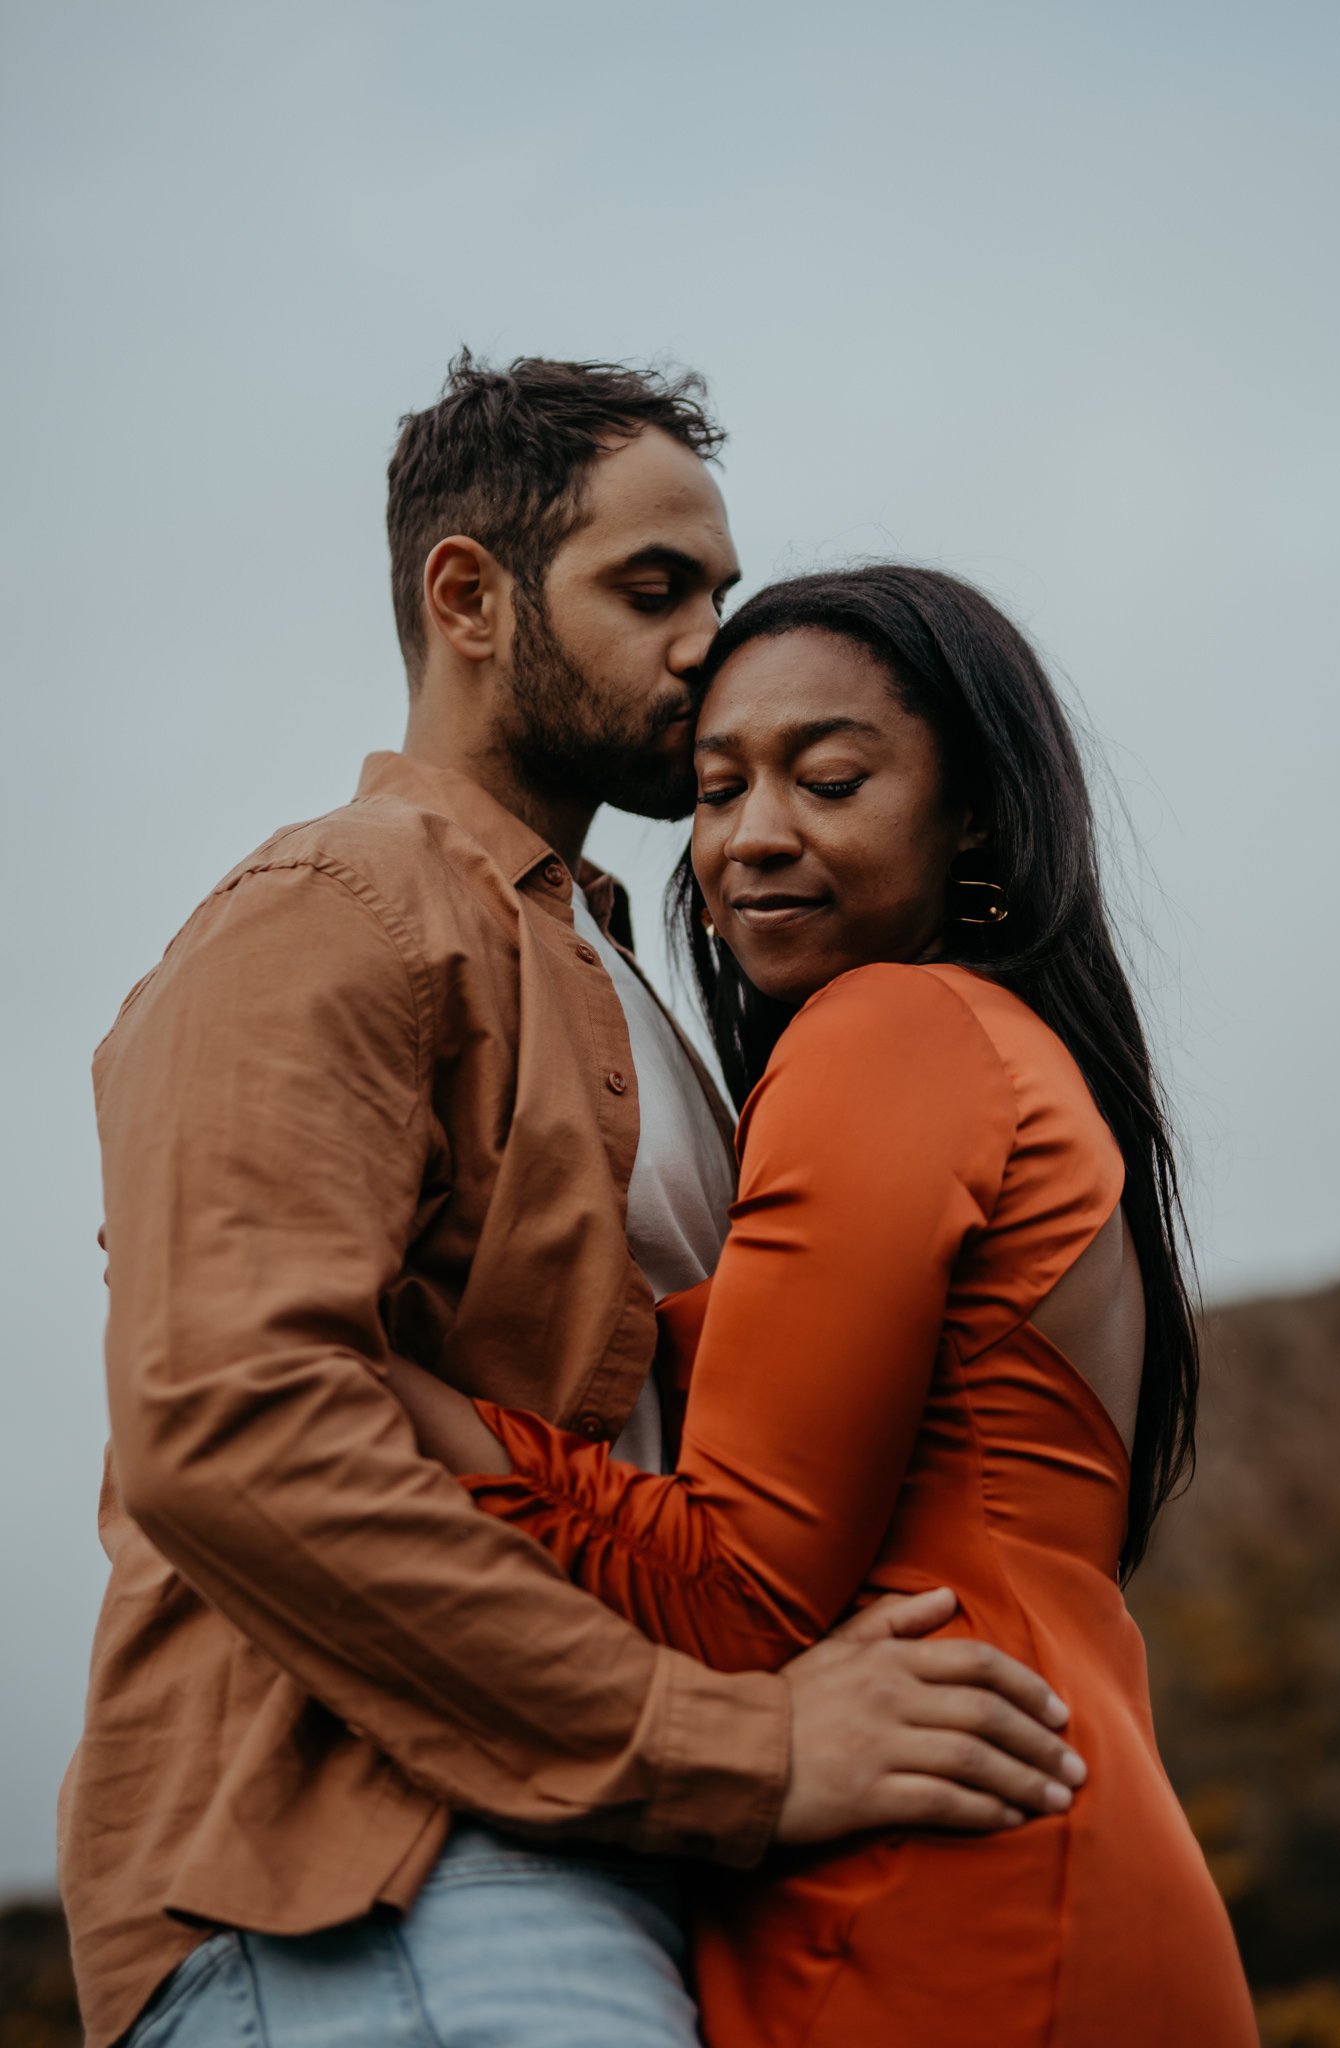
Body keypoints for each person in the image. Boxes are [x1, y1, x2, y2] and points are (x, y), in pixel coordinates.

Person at [60, 359, 1084, 2048]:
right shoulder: (335, 909)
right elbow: (227, 1425)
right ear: (467, 596)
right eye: (652, 588)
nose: (707, 643)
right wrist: (746, 1751)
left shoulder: (613, 967)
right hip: (376, 1878)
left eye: (719, 591)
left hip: (604, 1859)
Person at [386, 565, 1261, 2045]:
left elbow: (733, 1589)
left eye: (830, 777)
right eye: (717, 791)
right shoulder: (992, 1053)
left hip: (944, 1880)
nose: (754, 837)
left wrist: (362, 1371)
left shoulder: (893, 1028)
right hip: (1022, 1833)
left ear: (971, 813)